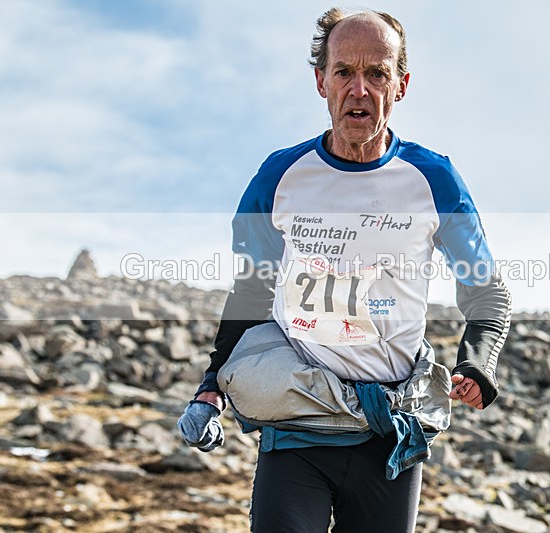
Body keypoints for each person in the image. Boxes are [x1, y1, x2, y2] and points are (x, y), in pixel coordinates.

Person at [179, 8, 511, 532]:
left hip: (389, 431)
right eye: (344, 72)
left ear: (401, 85)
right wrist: (211, 384)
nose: (360, 89)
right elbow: (251, 291)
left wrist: (477, 362)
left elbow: (486, 292)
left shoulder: (433, 179)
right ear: (321, 81)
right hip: (298, 424)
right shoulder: (280, 176)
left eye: (377, 73)